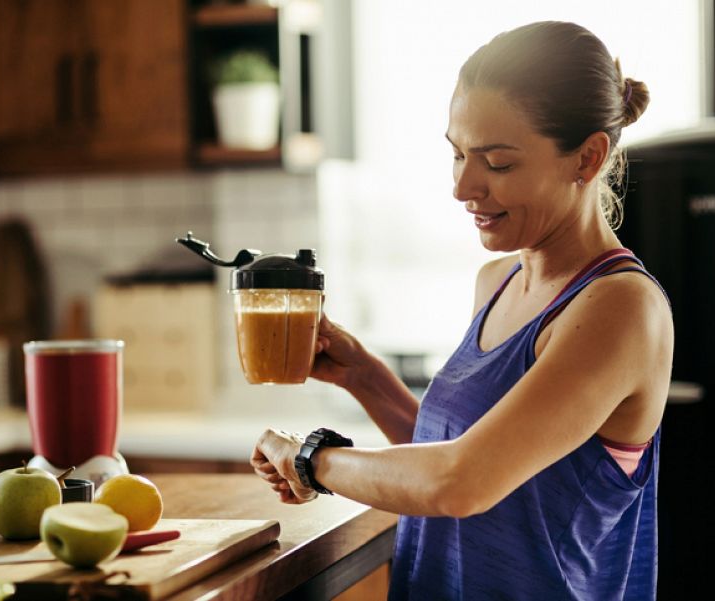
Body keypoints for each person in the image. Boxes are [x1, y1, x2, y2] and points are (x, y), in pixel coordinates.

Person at [251, 20, 673, 600]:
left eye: (497, 163)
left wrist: (310, 459)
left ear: (586, 158)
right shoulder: (498, 281)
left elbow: (462, 483)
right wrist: (365, 376)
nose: (463, 187)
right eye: (457, 155)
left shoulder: (621, 307)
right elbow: (469, 456)